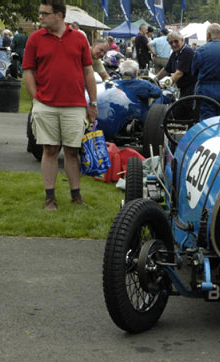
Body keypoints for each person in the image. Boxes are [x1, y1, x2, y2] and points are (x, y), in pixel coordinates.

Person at [22, 0, 97, 212]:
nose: (41, 17)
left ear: (59, 15)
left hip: (75, 105)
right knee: (50, 149)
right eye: (40, 13)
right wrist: (36, 98)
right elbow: (28, 71)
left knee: (73, 152)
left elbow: (88, 72)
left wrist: (92, 102)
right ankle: (50, 198)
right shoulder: (35, 38)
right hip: (46, 105)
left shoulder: (79, 39)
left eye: (45, 13)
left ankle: (76, 196)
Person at [100, 59, 164, 138]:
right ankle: (153, 124)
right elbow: (157, 92)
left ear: (122, 72)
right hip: (137, 116)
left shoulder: (115, 83)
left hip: (115, 116)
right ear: (136, 73)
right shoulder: (143, 84)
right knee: (160, 97)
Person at [192, 23, 220, 120]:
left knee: (207, 121)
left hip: (206, 90)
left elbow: (194, 72)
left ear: (208, 35)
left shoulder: (201, 51)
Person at [156, 31, 196, 100]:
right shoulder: (175, 53)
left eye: (176, 41)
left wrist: (164, 85)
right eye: (171, 42)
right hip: (183, 88)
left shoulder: (187, 52)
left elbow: (179, 73)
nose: (173, 44)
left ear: (182, 40)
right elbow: (166, 70)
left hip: (191, 89)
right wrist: (155, 79)